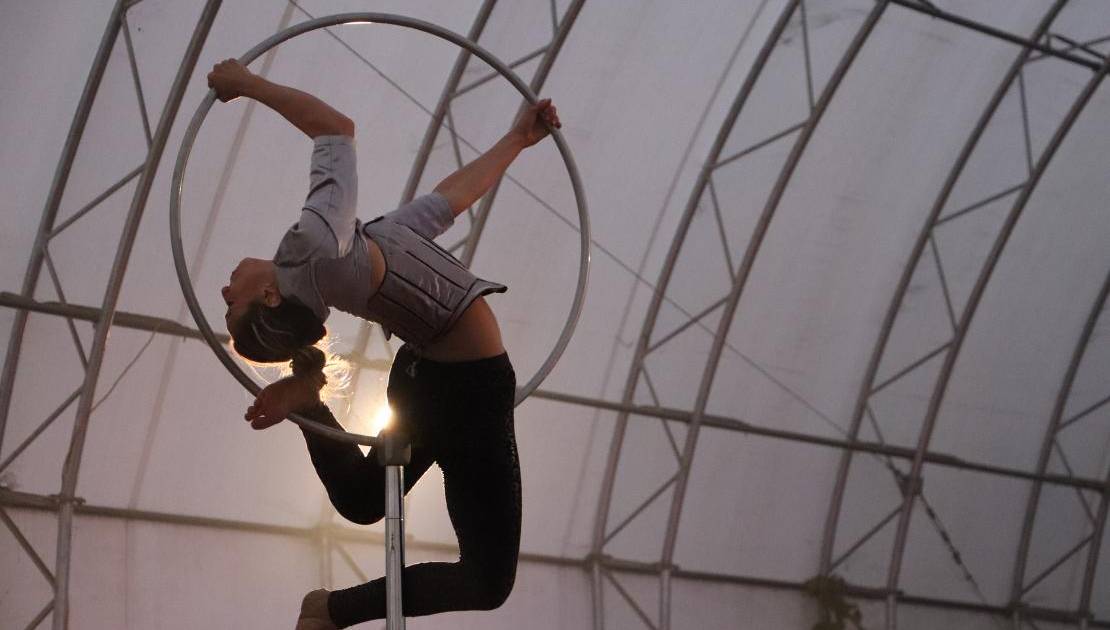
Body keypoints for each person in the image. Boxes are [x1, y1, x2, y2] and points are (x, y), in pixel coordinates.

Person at [206, 58, 561, 629]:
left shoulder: (341, 251)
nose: (224, 288)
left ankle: (309, 403)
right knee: (486, 581)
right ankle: (334, 610)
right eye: (231, 302)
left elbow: (447, 202)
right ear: (270, 297)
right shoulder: (317, 247)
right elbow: (335, 128)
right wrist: (247, 85)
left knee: (368, 500)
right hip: (466, 385)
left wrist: (518, 139)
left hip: (433, 376)